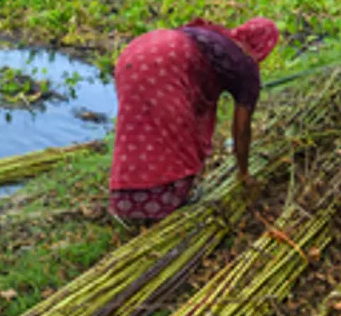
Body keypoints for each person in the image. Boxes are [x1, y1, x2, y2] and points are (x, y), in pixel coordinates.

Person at [108, 16, 281, 224]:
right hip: (168, 65)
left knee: (137, 131)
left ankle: (127, 206)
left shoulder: (219, 36)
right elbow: (241, 129)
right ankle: (160, 209)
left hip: (136, 52)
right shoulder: (246, 66)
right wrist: (243, 173)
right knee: (177, 142)